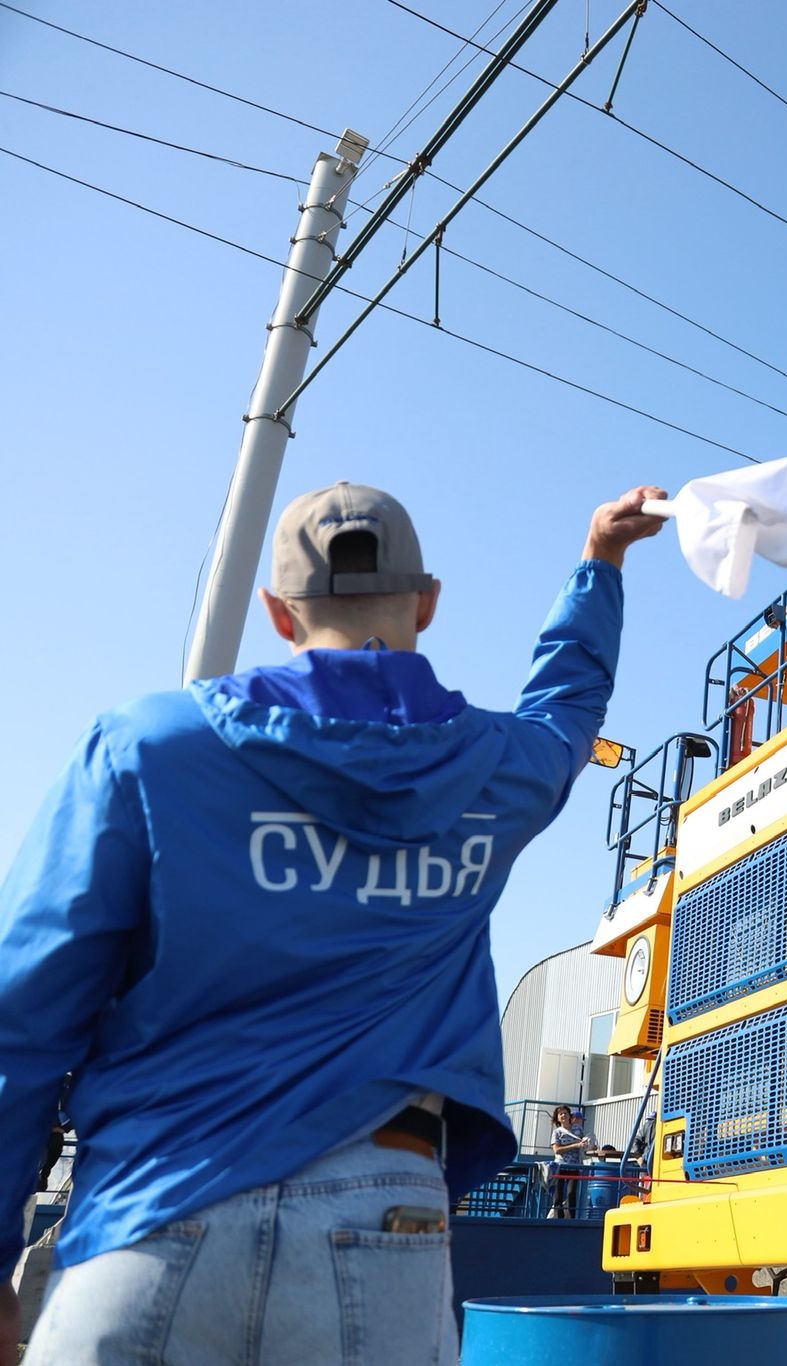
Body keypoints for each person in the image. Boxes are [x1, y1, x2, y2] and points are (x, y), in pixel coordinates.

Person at [0, 480, 667, 1361]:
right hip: (385, 1221)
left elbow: (26, 1021)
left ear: (279, 613)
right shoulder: (495, 770)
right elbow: (568, 709)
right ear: (427, 604)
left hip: (151, 1205)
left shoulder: (148, 750)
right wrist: (600, 561)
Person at [547, 1105, 593, 1219]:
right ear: (557, 1118)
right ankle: (559, 1218)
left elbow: (583, 1144)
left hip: (574, 1166)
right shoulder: (557, 1132)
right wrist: (575, 1145)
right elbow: (557, 1150)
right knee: (558, 1196)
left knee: (571, 1194)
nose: (563, 1115)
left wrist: (589, 1145)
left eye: (565, 1113)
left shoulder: (578, 1129)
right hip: (560, 1166)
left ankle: (571, 1219)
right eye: (560, 1114)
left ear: (569, 1115)